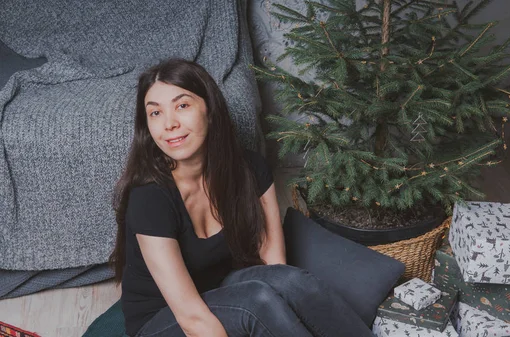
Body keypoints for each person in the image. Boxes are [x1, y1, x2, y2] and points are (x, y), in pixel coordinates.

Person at [108, 58, 374, 337]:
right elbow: (192, 318)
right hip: (166, 319)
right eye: (155, 113)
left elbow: (274, 266)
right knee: (254, 303)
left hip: (218, 291)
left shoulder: (249, 169)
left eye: (182, 106)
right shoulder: (150, 200)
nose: (169, 124)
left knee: (292, 282)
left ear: (209, 110)